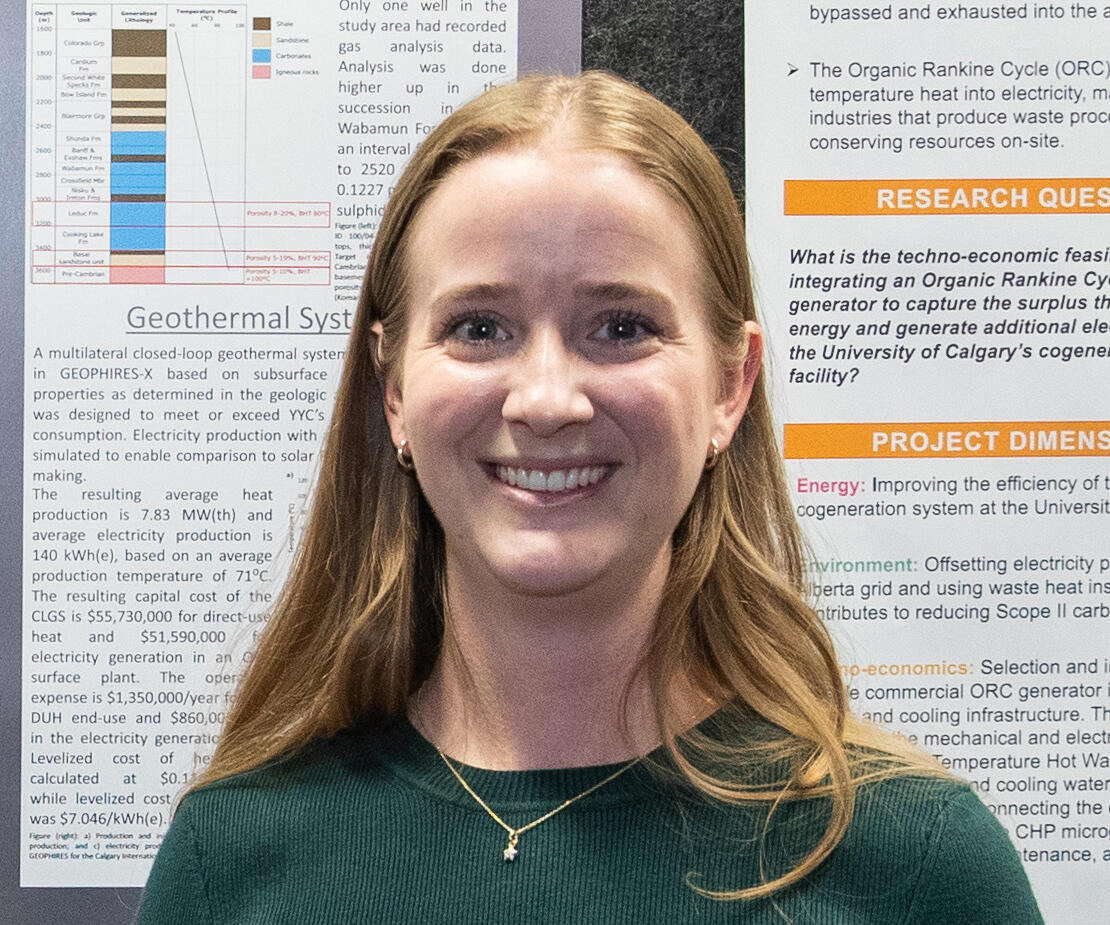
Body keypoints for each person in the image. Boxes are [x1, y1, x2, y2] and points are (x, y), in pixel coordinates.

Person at [137, 72, 1042, 923]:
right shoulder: (233, 861)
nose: (546, 400)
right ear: (394, 394)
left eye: (622, 327)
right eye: (478, 327)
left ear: (731, 386)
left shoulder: (915, 866)